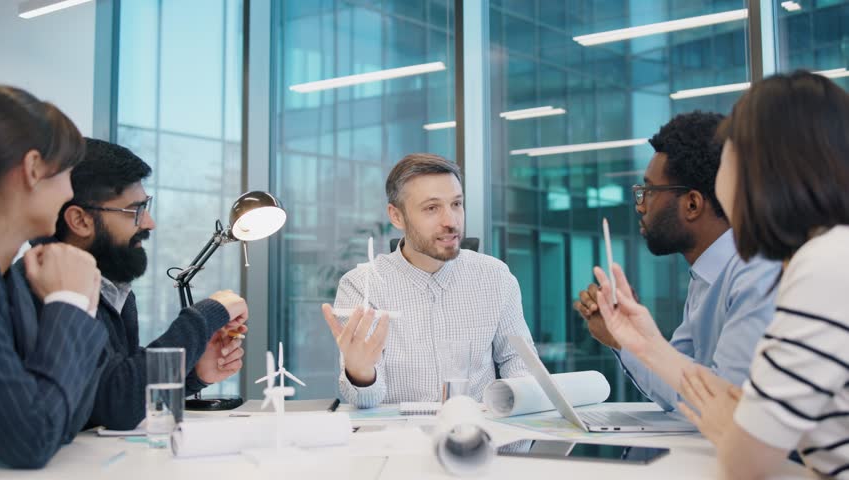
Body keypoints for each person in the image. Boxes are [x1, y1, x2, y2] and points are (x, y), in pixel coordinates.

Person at [592, 71, 849, 479]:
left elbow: (746, 455)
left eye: (730, 154)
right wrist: (648, 346)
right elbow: (737, 411)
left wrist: (735, 417)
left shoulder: (825, 268)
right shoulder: (824, 258)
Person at [573, 112, 780, 411]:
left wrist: (640, 344)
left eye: (648, 192)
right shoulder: (705, 276)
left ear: (692, 204)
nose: (640, 206)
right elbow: (676, 387)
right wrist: (623, 339)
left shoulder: (754, 273)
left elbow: (728, 401)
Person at [41, 138, 249, 430]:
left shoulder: (112, 290)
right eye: (135, 210)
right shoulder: (49, 293)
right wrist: (206, 316)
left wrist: (195, 374)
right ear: (80, 220)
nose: (149, 222)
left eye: (146, 206)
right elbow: (117, 405)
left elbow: (106, 393)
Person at [321, 153, 535, 408]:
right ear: (397, 216)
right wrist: (361, 374)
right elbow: (364, 400)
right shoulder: (362, 285)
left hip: (481, 434)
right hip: (400, 441)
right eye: (432, 208)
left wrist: (508, 404)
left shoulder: (495, 277)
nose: (451, 221)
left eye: (456, 204)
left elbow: (521, 366)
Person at [0, 85, 106, 468]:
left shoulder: (12, 281)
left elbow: (64, 423)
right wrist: (70, 306)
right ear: (32, 169)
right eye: (69, 173)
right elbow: (31, 440)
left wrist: (73, 305)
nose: (71, 192)